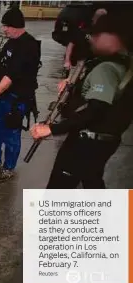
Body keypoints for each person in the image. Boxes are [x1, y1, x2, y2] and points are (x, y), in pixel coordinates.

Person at [31, 12, 133, 189]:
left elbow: (96, 109)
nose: (92, 39)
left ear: (114, 37)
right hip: (101, 141)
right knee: (92, 183)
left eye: (97, 35)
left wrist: (52, 129)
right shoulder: (119, 63)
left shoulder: (107, 69)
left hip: (86, 143)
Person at [0, 7, 41, 182]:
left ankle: (8, 168)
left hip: (16, 99)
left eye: (7, 26)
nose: (3, 29)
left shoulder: (28, 46)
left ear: (16, 26)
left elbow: (11, 76)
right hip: (3, 97)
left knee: (11, 134)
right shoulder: (11, 41)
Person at [63, 8, 108, 74]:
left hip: (94, 64)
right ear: (94, 18)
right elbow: (70, 45)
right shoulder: (83, 30)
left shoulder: (105, 33)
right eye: (98, 18)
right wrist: (67, 61)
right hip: (78, 63)